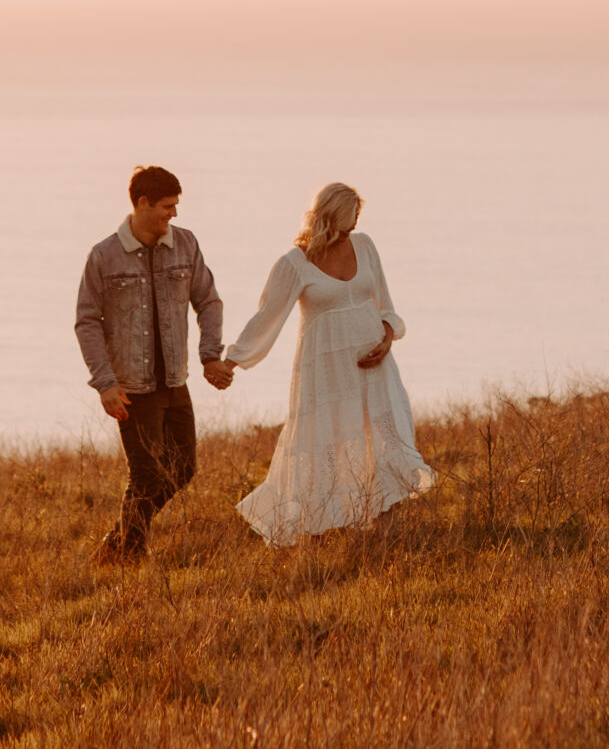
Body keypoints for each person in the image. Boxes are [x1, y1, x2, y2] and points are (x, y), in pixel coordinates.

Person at [220, 182, 433, 545]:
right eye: (347, 223)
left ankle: (387, 536)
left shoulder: (364, 246)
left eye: (356, 222)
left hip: (375, 368)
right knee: (327, 446)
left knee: (385, 439)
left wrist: (386, 337)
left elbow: (385, 304)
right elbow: (267, 316)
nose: (352, 229)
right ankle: (319, 530)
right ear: (329, 218)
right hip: (325, 374)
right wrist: (233, 360)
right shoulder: (295, 263)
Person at [73, 164, 232, 561]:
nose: (173, 214)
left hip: (176, 381)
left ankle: (116, 545)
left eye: (175, 206)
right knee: (145, 476)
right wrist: (105, 383)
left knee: (183, 469)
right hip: (132, 388)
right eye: (167, 206)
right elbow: (87, 322)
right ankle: (128, 554)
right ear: (142, 204)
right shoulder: (104, 256)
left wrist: (210, 354)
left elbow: (208, 301)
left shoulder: (186, 245)